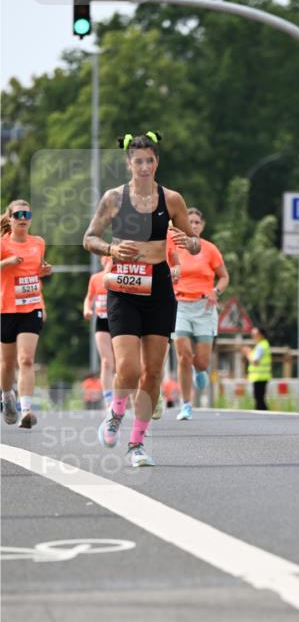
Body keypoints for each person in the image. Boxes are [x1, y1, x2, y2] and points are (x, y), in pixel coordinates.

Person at [83, 131, 198, 467]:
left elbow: (194, 244)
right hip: (123, 288)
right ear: (129, 163)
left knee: (152, 372)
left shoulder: (172, 199)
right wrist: (110, 248)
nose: (145, 166)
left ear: (157, 162)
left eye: (150, 160)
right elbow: (89, 237)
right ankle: (115, 414)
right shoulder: (114, 199)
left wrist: (186, 241)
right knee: (129, 368)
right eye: (139, 161)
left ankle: (136, 444)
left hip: (159, 287)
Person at [166, 206, 228, 420]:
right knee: (183, 355)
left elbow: (224, 277)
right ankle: (186, 405)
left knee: (201, 361)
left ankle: (199, 370)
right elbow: (162, 271)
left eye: (196, 223)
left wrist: (215, 291)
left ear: (202, 227)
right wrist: (171, 275)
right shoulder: (173, 248)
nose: (192, 226)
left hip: (204, 307)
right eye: (189, 222)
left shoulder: (209, 249)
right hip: (180, 305)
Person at [1, 199, 52, 428]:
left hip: (31, 307)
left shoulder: (38, 242)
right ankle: (7, 396)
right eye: (18, 214)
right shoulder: (2, 244)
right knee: (7, 364)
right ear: (10, 219)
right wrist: (6, 262)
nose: (23, 218)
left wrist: (44, 270)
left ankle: (26, 410)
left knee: (26, 359)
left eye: (27, 215)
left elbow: (36, 271)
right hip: (6, 309)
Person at [83, 256, 114, 408]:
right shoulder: (96, 278)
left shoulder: (120, 278)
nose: (109, 262)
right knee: (107, 362)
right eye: (107, 260)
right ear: (102, 261)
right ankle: (108, 400)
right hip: (102, 320)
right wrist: (87, 309)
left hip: (120, 322)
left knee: (121, 363)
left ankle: (122, 397)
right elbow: (89, 298)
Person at [243, 325, 271, 410]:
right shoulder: (263, 345)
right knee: (260, 398)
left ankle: (263, 416)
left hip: (259, 377)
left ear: (261, 335)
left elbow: (255, 361)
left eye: (255, 334)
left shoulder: (260, 346)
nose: (253, 337)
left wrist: (248, 353)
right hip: (261, 376)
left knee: (259, 399)